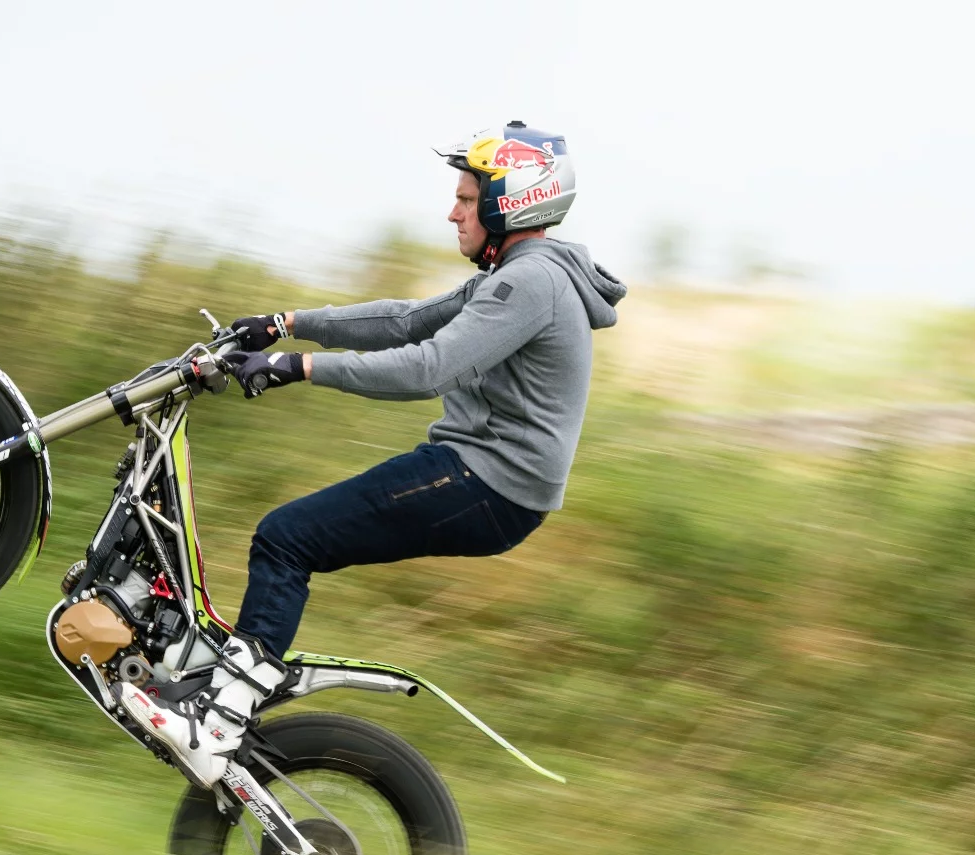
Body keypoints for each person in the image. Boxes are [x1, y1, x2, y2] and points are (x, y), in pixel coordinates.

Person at [120, 121, 627, 787]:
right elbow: (405, 321)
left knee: (287, 538)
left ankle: (222, 716)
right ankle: (224, 689)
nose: (453, 212)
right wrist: (286, 323)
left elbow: (427, 366)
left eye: (466, 199)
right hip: (484, 476)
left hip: (487, 482)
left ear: (510, 203)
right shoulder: (520, 275)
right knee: (290, 536)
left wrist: (297, 366)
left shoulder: (531, 282)